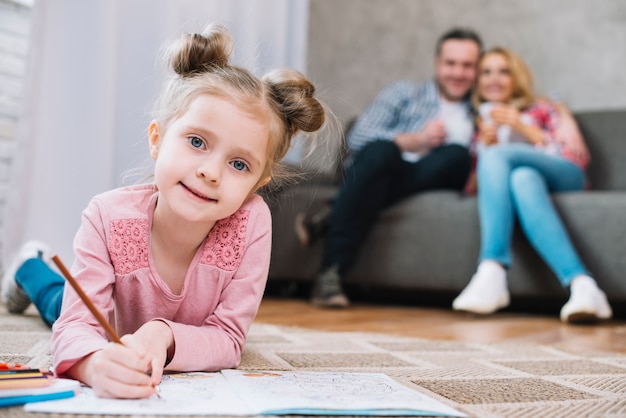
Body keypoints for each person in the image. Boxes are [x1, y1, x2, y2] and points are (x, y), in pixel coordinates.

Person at [0, 23, 327, 398]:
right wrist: (93, 364)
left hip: (166, 334)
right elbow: (76, 326)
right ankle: (29, 268)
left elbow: (230, 339)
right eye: (197, 142)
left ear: (258, 183)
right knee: (58, 303)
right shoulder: (107, 216)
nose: (210, 172)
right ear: (157, 139)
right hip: (108, 311)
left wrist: (163, 333)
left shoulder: (252, 221)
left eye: (239, 164)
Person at [306, 28, 482, 308]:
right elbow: (357, 137)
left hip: (434, 176)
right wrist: (416, 140)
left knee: (456, 156)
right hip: (384, 170)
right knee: (383, 150)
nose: (458, 73)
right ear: (438, 64)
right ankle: (329, 275)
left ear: (477, 70)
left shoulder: (482, 110)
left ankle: (336, 209)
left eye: (467, 65)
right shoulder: (404, 93)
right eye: (451, 63)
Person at [451, 46, 612, 323]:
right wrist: (486, 147)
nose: (494, 79)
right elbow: (477, 188)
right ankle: (583, 286)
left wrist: (523, 128)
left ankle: (492, 267)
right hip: (530, 182)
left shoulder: (542, 109)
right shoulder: (481, 127)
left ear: (517, 77)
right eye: (486, 72)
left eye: (504, 71)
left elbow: (574, 156)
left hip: (565, 174)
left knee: (501, 159)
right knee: (522, 179)